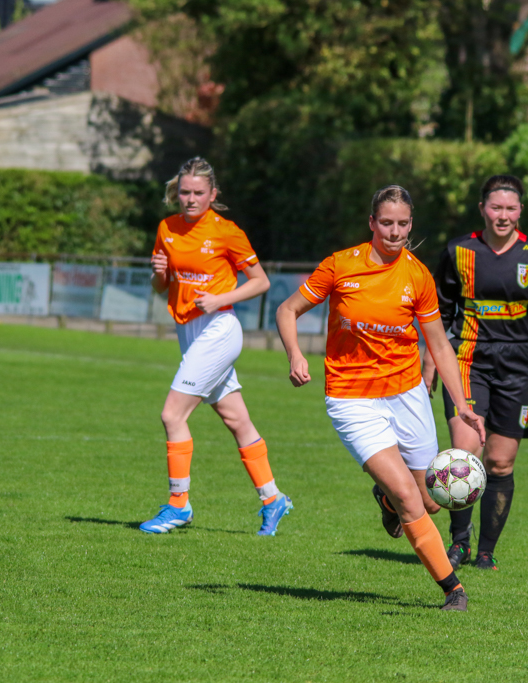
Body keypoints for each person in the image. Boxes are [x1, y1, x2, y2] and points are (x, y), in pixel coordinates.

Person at [275, 185, 486, 611]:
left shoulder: (417, 275)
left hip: (407, 394)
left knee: (431, 500)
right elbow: (287, 309)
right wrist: (295, 353)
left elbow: (438, 345)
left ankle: (385, 498)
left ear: (411, 225)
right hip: (351, 398)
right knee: (410, 498)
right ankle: (453, 589)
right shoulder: (341, 265)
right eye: (386, 223)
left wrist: (462, 404)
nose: (394, 232)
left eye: (402, 224)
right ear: (372, 222)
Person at [140, 157, 293, 535]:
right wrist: (159, 275)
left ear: (212, 194)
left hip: (219, 329)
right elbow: (161, 287)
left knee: (172, 415)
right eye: (184, 192)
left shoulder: (227, 232)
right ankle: (273, 498)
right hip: (188, 332)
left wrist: (221, 297)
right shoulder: (167, 228)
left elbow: (261, 281)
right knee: (236, 419)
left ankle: (179, 505)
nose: (190, 199)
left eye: (198, 192)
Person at [424, 174, 528, 572]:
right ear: (482, 209)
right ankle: (459, 543)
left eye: (511, 208)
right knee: (465, 451)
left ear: (520, 211)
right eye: (496, 207)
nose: (503, 215)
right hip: (467, 360)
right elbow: (439, 312)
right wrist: (430, 362)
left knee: (501, 462)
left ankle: (486, 551)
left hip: (517, 366)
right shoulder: (459, 251)